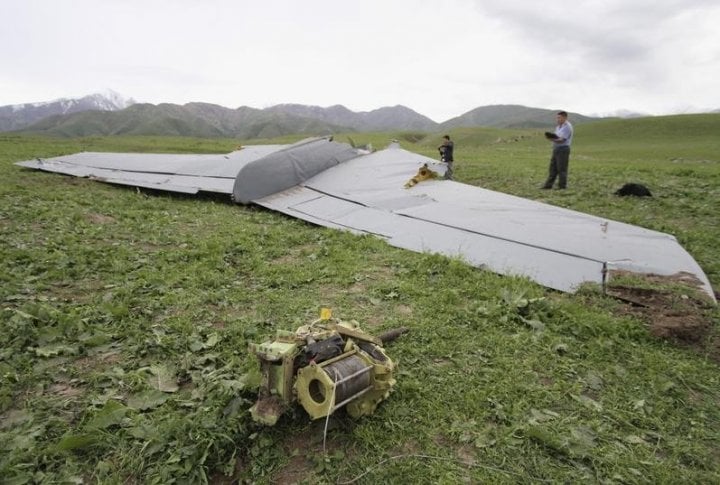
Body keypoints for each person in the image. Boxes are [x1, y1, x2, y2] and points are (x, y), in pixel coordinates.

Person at [541, 111, 573, 189]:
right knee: (552, 168)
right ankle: (548, 186)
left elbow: (562, 140)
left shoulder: (567, 126)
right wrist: (551, 137)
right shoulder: (558, 126)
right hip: (556, 149)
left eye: (559, 117)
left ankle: (562, 186)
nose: (557, 119)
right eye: (557, 117)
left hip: (563, 149)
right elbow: (556, 137)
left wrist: (550, 139)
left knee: (561, 169)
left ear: (565, 117)